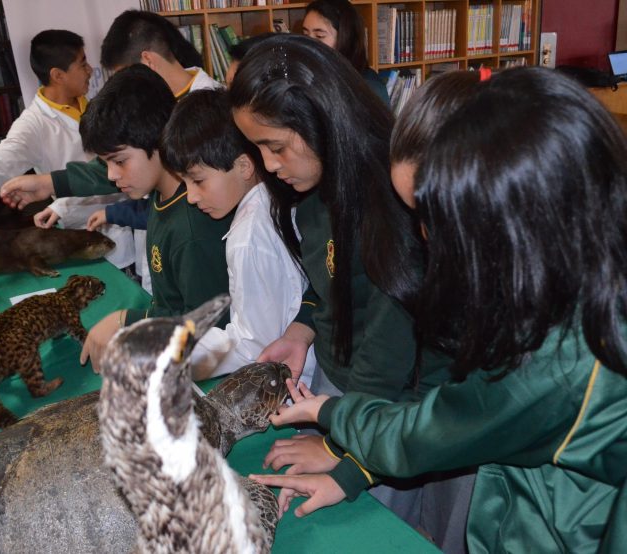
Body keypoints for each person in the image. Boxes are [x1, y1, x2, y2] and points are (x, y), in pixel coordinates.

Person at [250, 66, 627, 554]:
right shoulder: (561, 278)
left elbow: (440, 427)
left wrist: (331, 412)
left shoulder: (562, 356)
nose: (424, 235)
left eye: (433, 215)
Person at [229, 33, 452, 528]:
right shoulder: (313, 182)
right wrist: (301, 329)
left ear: (323, 120)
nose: (269, 165)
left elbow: (389, 345)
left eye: (276, 146)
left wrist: (342, 446)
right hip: (346, 393)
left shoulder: (391, 203)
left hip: (389, 410)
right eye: (258, 148)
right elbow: (328, 275)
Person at [0, 10, 221, 233]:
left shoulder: (210, 111)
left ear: (147, 61)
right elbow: (115, 165)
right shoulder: (153, 107)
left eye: (125, 76)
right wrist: (51, 184)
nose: (113, 173)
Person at [74, 64, 232, 372]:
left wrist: (126, 320)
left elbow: (208, 332)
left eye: (119, 161)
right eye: (106, 163)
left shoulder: (193, 226)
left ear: (159, 140)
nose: (111, 175)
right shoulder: (161, 198)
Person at [155, 88, 316, 380]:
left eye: (198, 181)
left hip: (291, 379)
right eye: (185, 183)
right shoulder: (273, 195)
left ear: (243, 166)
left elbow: (252, 345)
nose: (191, 196)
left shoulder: (247, 237)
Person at [0, 29, 92, 239]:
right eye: (83, 64)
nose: (90, 70)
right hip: (85, 230)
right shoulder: (33, 124)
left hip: (128, 214)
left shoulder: (94, 103)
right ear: (58, 75)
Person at [301, 0, 389, 105]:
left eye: (320, 36)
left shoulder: (370, 88)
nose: (308, 43)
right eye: (305, 35)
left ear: (345, 38)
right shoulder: (306, 76)